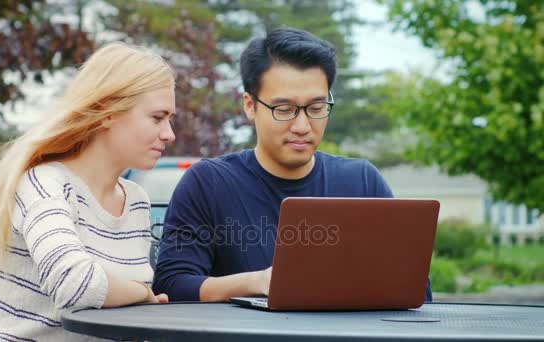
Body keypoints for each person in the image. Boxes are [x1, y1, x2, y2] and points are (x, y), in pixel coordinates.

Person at [153, 27, 432, 302]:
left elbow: (413, 288)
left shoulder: (362, 182)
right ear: (250, 105)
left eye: (316, 108)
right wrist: (257, 282)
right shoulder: (209, 183)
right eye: (284, 110)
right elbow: (172, 285)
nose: (302, 126)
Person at [0, 42, 176, 341]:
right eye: (157, 118)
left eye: (171, 120)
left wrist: (139, 298)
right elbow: (75, 284)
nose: (169, 134)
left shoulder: (135, 200)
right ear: (107, 111)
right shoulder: (44, 184)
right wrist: (142, 294)